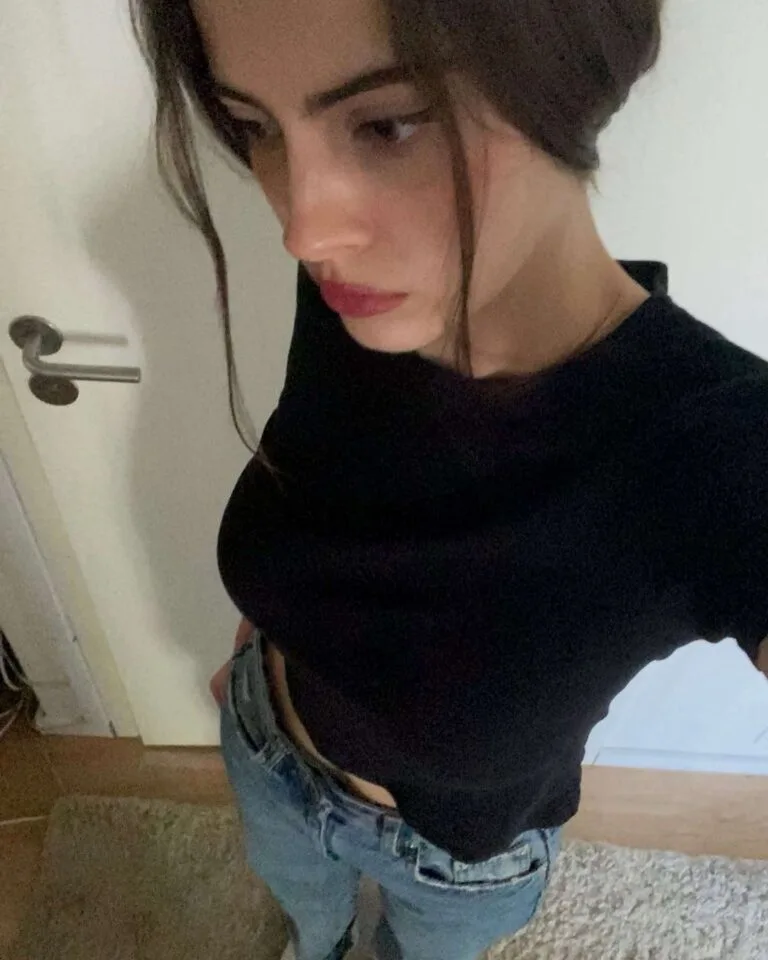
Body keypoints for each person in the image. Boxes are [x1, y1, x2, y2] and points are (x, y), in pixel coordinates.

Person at [131, 1, 768, 958]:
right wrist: (272, 638)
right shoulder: (360, 296)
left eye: (388, 124)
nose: (304, 229)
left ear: (572, 76)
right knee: (310, 932)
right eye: (257, 126)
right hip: (264, 748)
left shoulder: (719, 445)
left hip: (452, 863)